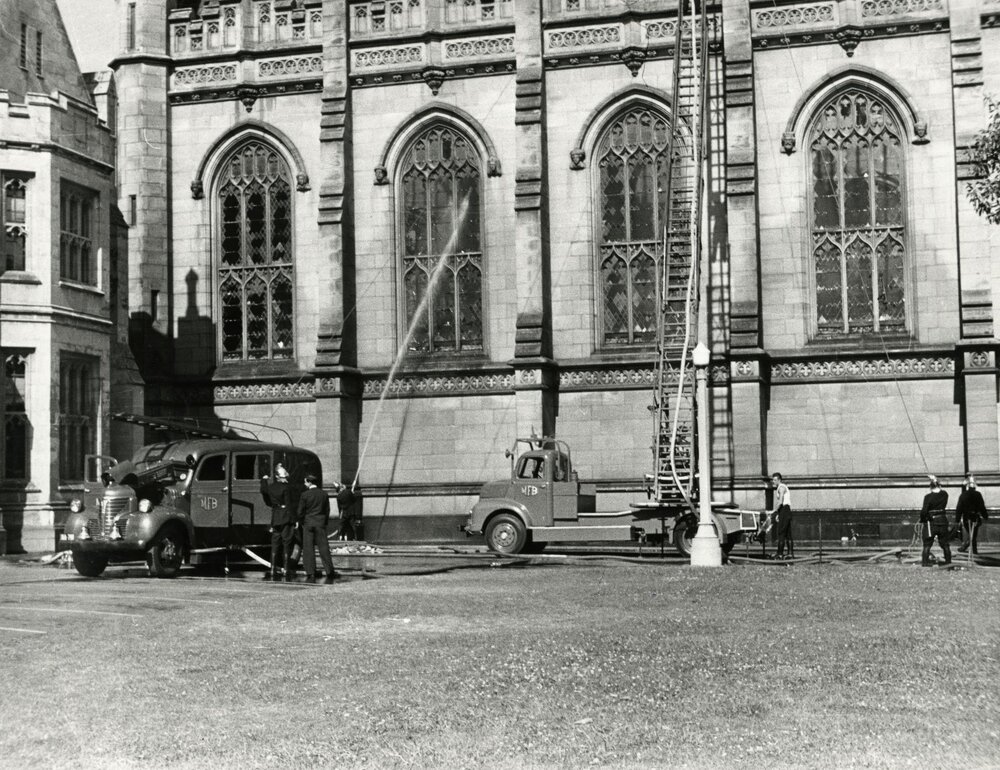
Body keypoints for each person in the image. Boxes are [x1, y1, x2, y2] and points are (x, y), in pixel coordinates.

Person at [297, 474, 338, 584]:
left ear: (309, 482)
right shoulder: (324, 494)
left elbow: (300, 511)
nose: (305, 484)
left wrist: (302, 521)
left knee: (308, 548)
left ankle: (310, 571)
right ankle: (329, 570)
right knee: (324, 547)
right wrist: (324, 522)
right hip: (320, 522)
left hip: (308, 523)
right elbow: (327, 510)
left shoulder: (304, 495)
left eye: (305, 482)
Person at [259, 463, 294, 581]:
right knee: (286, 544)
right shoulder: (286, 487)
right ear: (280, 476)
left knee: (275, 545)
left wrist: (264, 480)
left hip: (275, 517)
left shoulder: (271, 487)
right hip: (285, 517)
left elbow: (263, 489)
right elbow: (289, 505)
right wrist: (294, 520)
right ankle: (286, 570)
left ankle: (272, 569)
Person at [920, 475, 951, 566]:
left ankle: (925, 562)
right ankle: (948, 562)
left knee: (927, 544)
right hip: (942, 521)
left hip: (931, 522)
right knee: (945, 544)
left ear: (930, 487)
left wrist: (923, 520)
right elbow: (941, 491)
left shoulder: (928, 497)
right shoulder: (944, 494)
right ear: (940, 486)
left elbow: (924, 511)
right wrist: (935, 479)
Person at [955, 472, 988, 555]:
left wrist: (957, 519)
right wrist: (985, 516)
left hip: (966, 517)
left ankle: (969, 548)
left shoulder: (963, 495)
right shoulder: (978, 494)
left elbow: (959, 508)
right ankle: (974, 550)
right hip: (975, 517)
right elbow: (982, 506)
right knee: (973, 534)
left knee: (971, 534)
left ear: (967, 486)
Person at [769, 472, 793, 559]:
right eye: (773, 480)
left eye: (775, 480)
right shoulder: (781, 487)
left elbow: (781, 501)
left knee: (781, 533)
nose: (773, 481)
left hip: (785, 510)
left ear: (779, 480)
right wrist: (778, 514)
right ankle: (790, 554)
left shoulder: (781, 487)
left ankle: (779, 554)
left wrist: (774, 511)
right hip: (785, 511)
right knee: (787, 533)